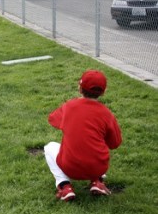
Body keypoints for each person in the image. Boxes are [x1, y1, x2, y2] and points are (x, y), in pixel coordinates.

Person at [44, 70, 122, 202]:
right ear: (103, 92)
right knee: (98, 147)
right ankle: (97, 181)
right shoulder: (106, 113)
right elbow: (115, 143)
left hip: (70, 167)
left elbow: (52, 119)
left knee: (49, 147)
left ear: (80, 88)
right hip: (98, 167)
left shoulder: (69, 106)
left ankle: (64, 187)